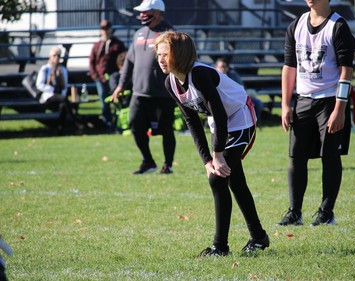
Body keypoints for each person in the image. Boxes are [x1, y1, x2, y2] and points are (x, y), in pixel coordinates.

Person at [155, 31, 269, 256]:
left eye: (165, 54)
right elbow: (192, 121)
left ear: (180, 53)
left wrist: (216, 155)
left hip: (239, 118)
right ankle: (258, 237)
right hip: (221, 124)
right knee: (234, 180)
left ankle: (220, 247)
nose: (160, 59)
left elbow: (219, 113)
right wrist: (207, 159)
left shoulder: (198, 74)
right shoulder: (171, 82)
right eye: (158, 54)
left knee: (218, 178)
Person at [278, 0, 355, 226]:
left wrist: (340, 109)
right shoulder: (296, 25)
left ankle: (326, 212)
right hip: (303, 100)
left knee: (330, 156)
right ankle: (295, 212)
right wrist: (285, 104)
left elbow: (346, 71)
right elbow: (289, 67)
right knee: (296, 157)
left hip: (330, 101)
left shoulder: (338, 26)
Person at [111, 0, 176, 175]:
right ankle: (148, 162)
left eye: (146, 12)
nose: (141, 15)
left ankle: (167, 165)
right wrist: (121, 85)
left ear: (157, 12)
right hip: (139, 93)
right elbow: (129, 62)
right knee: (135, 126)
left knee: (166, 130)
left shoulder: (170, 34)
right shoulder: (139, 33)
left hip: (164, 94)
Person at [89, 19, 127, 129]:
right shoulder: (97, 45)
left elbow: (123, 59)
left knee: (117, 99)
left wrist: (120, 73)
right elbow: (92, 62)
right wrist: (96, 76)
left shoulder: (117, 44)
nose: (104, 31)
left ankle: (118, 122)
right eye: (102, 28)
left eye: (106, 28)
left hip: (114, 77)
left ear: (110, 29)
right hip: (100, 78)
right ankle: (107, 123)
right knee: (103, 100)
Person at [36, 46, 82, 133]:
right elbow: (39, 85)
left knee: (63, 105)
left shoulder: (62, 70)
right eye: (54, 55)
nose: (56, 57)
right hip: (48, 96)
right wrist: (52, 89)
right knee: (64, 100)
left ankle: (60, 128)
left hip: (60, 97)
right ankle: (75, 122)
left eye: (58, 56)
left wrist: (62, 94)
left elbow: (65, 86)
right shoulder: (45, 69)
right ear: (50, 56)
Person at [214, 57, 264, 124]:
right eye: (221, 67)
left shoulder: (233, 75)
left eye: (224, 66)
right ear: (216, 67)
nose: (222, 68)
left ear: (228, 68)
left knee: (257, 103)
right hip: (222, 101)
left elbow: (241, 88)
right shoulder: (213, 77)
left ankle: (254, 123)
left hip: (237, 99)